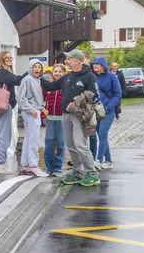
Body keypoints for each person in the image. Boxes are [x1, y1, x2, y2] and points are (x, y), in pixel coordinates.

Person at [40, 50, 100, 187]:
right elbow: (52, 86)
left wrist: (76, 102)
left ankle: (92, 173)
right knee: (71, 145)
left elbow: (95, 95)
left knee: (80, 144)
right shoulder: (68, 77)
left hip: (80, 115)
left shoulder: (89, 76)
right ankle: (78, 172)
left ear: (77, 61)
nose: (66, 61)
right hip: (65, 115)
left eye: (69, 59)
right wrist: (37, 77)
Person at [0, 51, 25, 174]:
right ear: (1, 60)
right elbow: (17, 80)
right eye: (6, 58)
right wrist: (30, 73)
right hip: (3, 105)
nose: (9, 59)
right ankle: (1, 164)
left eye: (10, 57)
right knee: (4, 135)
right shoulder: (3, 72)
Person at [16, 62, 47, 177]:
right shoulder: (27, 80)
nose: (37, 69)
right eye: (35, 67)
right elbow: (20, 97)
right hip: (32, 111)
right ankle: (33, 165)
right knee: (34, 138)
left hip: (34, 110)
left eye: (39, 67)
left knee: (29, 138)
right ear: (30, 68)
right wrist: (31, 109)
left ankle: (25, 164)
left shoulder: (37, 80)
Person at [90, 56, 121, 169]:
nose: (94, 66)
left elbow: (118, 94)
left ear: (103, 66)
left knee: (102, 133)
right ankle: (108, 161)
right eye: (93, 64)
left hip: (108, 111)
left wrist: (108, 107)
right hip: (96, 111)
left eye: (97, 64)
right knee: (101, 135)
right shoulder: (92, 77)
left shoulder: (112, 77)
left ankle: (99, 159)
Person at [43, 63, 68, 176]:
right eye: (55, 71)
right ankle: (49, 167)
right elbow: (42, 101)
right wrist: (43, 115)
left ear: (64, 73)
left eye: (60, 71)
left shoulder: (66, 86)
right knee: (49, 144)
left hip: (62, 119)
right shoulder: (49, 86)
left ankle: (58, 168)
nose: (57, 73)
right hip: (50, 119)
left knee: (61, 145)